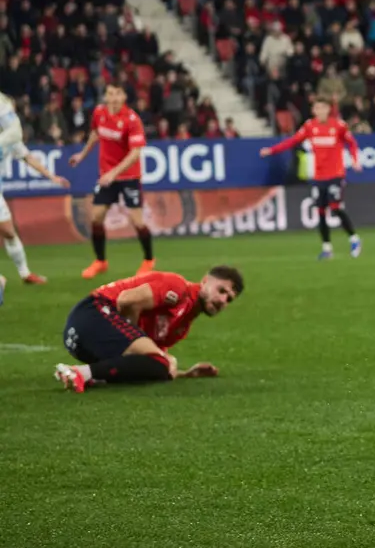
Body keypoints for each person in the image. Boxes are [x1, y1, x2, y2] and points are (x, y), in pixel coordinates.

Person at [54, 266, 243, 393]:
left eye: (229, 299)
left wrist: (186, 374)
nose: (223, 301)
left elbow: (149, 364)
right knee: (163, 361)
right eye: (221, 291)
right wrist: (132, 338)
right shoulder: (178, 288)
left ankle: (88, 375)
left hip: (84, 342)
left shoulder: (181, 327)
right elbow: (127, 300)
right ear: (204, 282)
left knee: (160, 366)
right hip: (93, 314)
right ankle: (80, 372)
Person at [68, 82, 154, 280]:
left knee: (137, 220)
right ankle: (100, 261)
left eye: (117, 94)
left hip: (128, 176)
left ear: (124, 96)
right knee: (96, 217)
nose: (113, 98)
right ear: (105, 96)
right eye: (109, 94)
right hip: (107, 176)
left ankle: (149, 260)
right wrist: (82, 155)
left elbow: (135, 154)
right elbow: (95, 134)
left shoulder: (132, 120)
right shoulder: (99, 112)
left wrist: (113, 173)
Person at [259, 100, 363, 260]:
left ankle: (354, 239)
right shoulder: (309, 126)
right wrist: (272, 150)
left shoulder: (339, 126)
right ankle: (327, 248)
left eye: (322, 107)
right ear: (313, 110)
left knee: (335, 207)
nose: (319, 110)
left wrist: (355, 160)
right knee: (320, 211)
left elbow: (352, 144)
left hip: (336, 174)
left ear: (328, 109)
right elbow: (292, 141)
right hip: (319, 176)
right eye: (317, 107)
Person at [0, 94, 71, 288]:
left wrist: (52, 177)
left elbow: (28, 158)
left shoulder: (9, 139)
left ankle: (25, 274)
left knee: (7, 231)